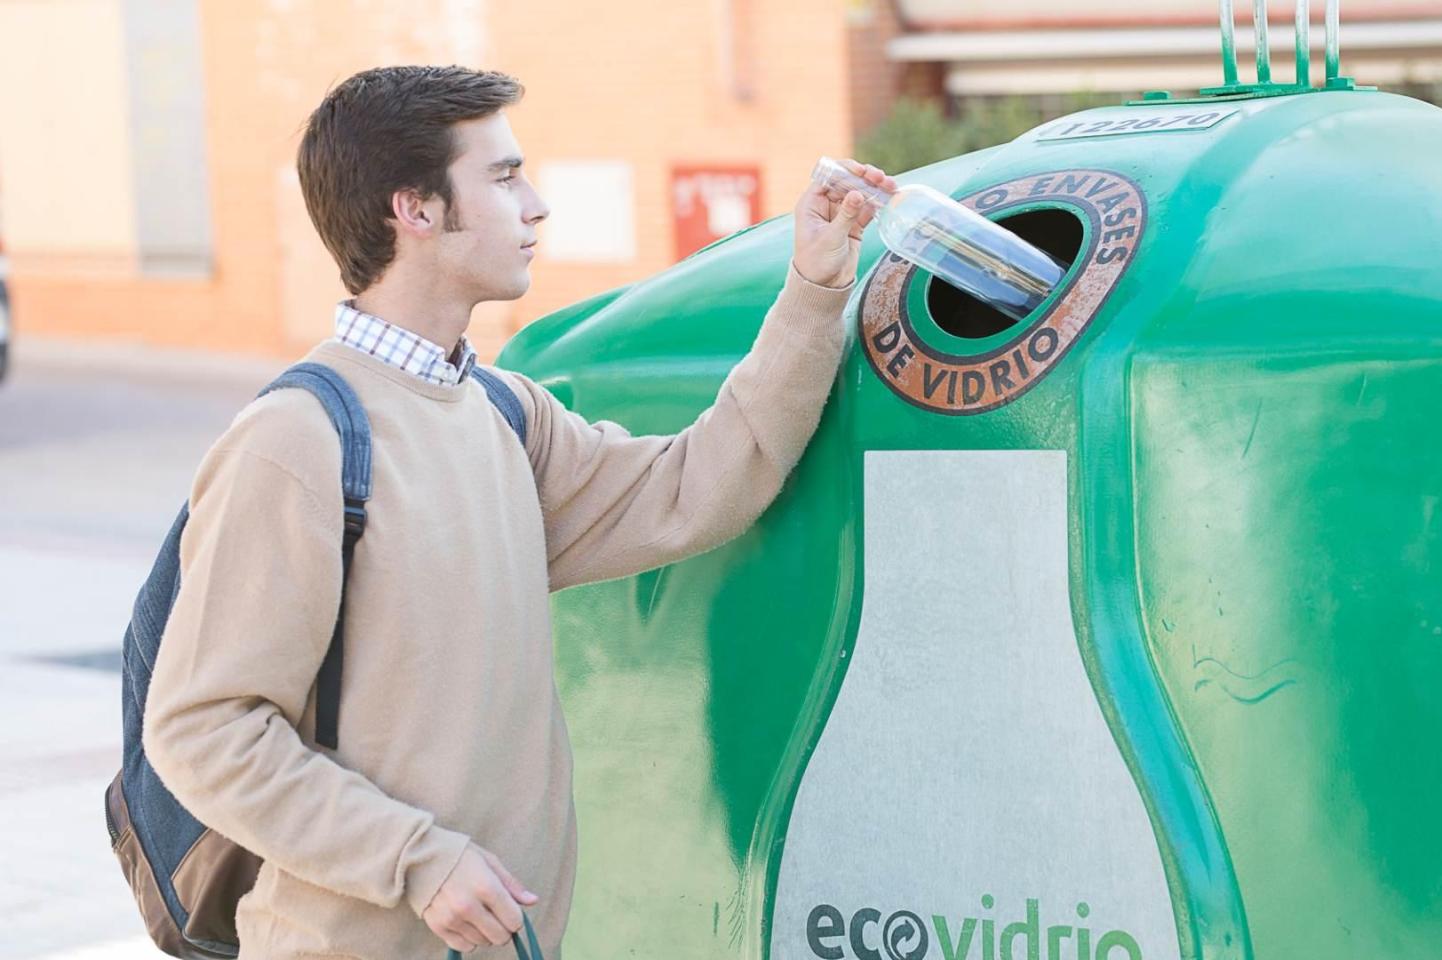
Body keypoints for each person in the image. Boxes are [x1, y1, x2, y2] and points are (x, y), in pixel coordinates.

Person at [140, 64, 894, 959]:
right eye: (502, 178)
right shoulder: (295, 442)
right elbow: (202, 730)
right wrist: (416, 859)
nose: (534, 207)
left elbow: (697, 486)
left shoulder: (505, 413)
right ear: (413, 210)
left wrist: (814, 286)